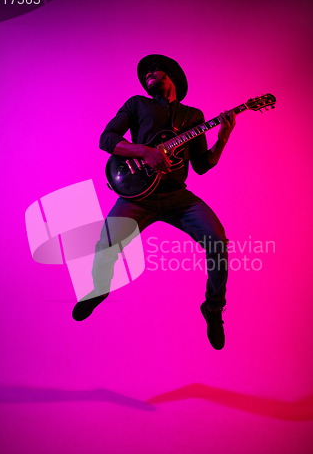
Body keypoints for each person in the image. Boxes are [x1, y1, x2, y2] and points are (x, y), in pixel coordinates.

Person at [72, 54, 236, 350]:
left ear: (170, 74)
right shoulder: (137, 104)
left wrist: (222, 138)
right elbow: (106, 139)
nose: (147, 73)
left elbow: (201, 165)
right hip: (138, 196)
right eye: (145, 72)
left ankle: (212, 308)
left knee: (218, 243)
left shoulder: (194, 116)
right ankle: (99, 290)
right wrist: (143, 152)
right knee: (105, 244)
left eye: (154, 69)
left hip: (177, 196)